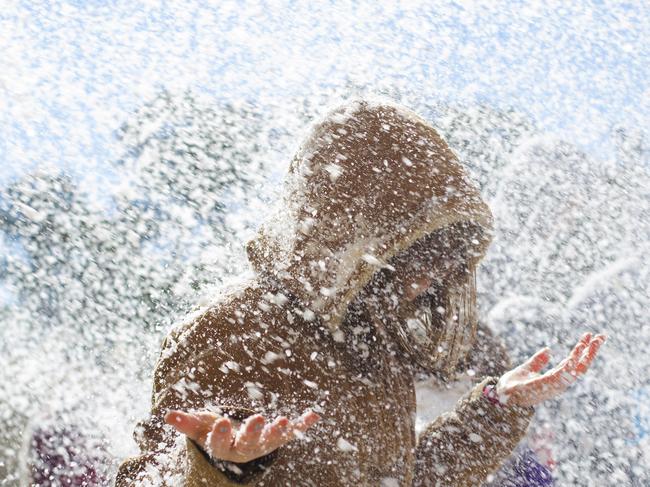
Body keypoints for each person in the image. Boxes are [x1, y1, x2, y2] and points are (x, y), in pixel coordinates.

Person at [115, 99, 606, 486]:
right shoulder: (234, 327)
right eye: (418, 257)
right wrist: (217, 468)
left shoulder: (369, 343)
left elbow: (405, 481)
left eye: (445, 263)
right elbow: (147, 479)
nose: (432, 281)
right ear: (352, 238)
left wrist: (498, 407)